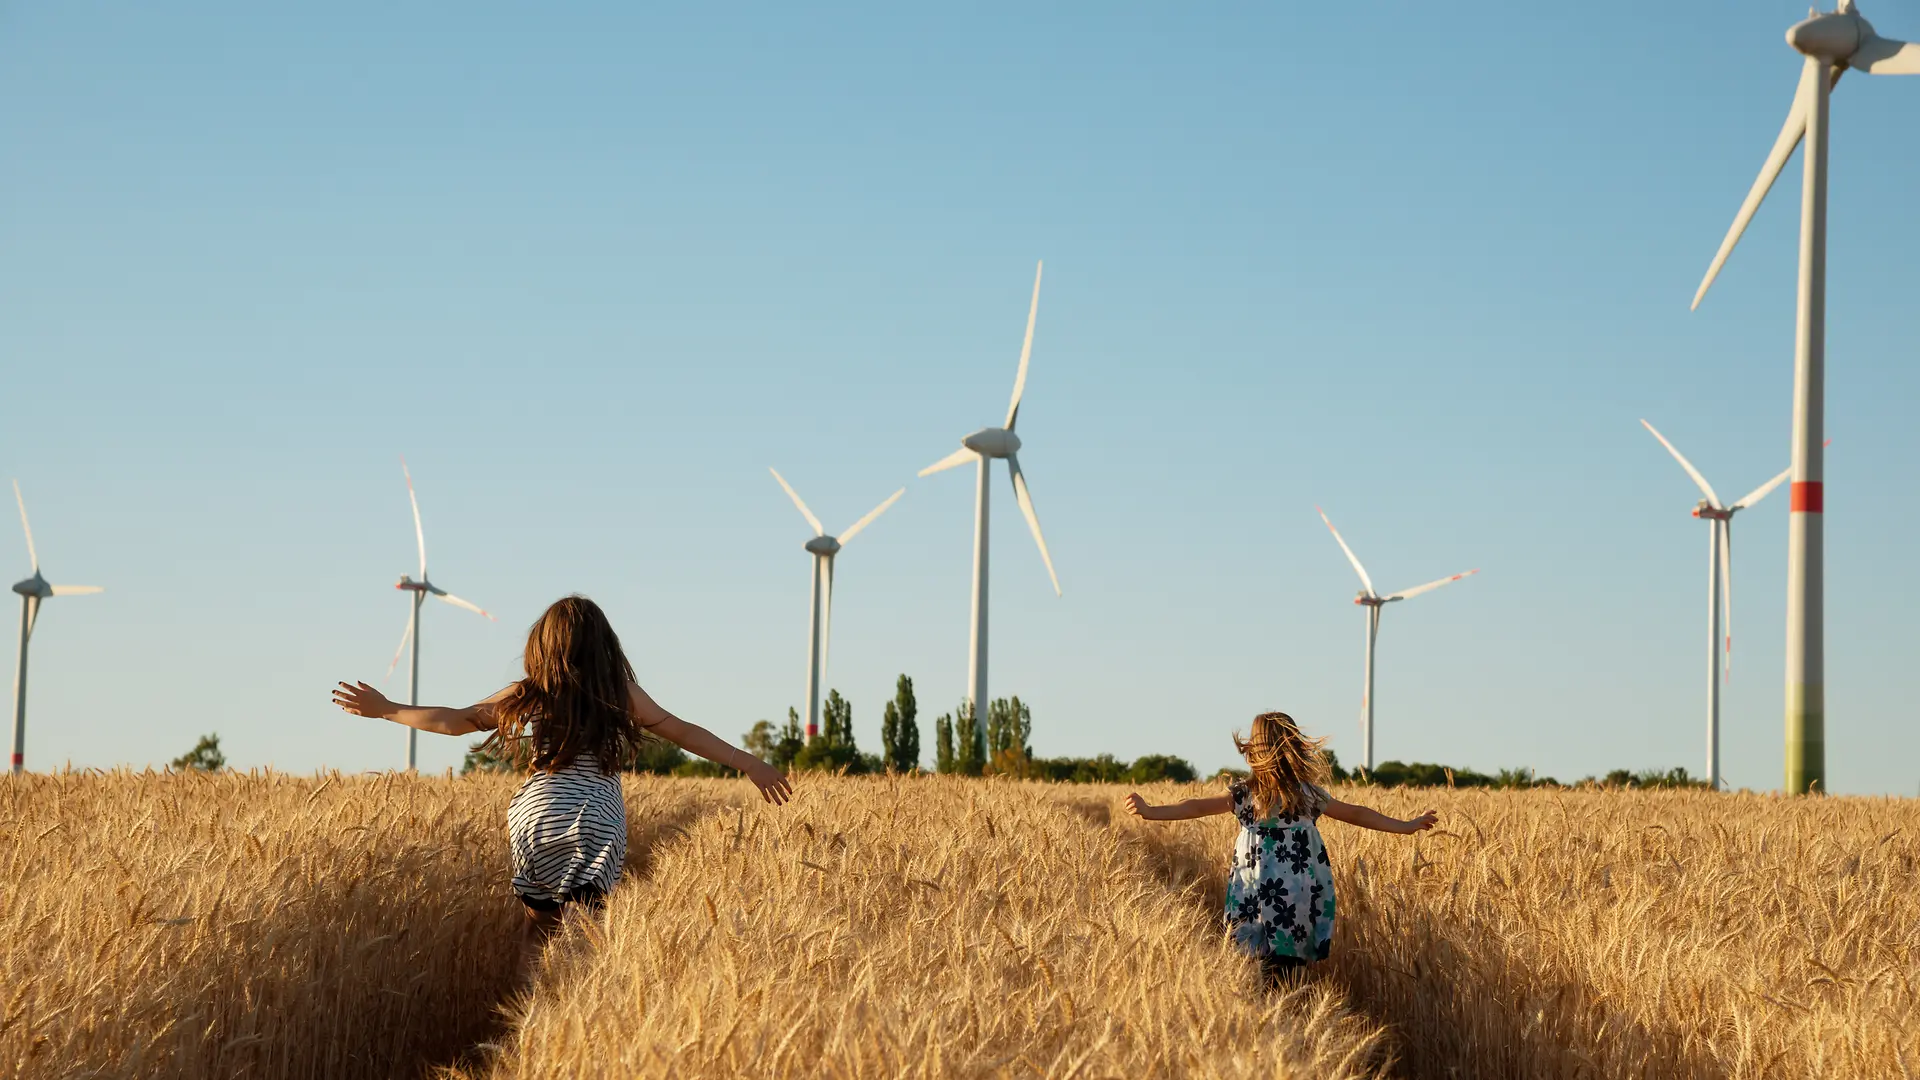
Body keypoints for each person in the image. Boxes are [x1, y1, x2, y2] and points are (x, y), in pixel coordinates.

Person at [331, 594, 792, 956]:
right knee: (587, 932)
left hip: (536, 816)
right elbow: (682, 731)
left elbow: (456, 720)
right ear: (605, 647)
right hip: (594, 816)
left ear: (541, 644)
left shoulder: (530, 692)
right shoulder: (621, 693)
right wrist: (749, 762)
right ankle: (571, 1018)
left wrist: (388, 709)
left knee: (537, 931)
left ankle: (527, 1018)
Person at [1124, 711, 1435, 983]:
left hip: (1254, 892)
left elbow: (1192, 807)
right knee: (1287, 966)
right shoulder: (1306, 795)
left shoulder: (1245, 794)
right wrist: (1405, 826)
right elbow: (1356, 813)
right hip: (1297, 894)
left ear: (1255, 752)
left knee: (1255, 964)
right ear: (1293, 749)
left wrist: (1151, 811)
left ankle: (1270, 1019)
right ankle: (1286, 1012)